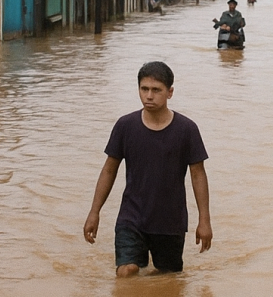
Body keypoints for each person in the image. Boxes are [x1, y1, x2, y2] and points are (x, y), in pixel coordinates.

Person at [83, 62, 212, 277]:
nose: (149, 96)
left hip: (170, 222)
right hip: (131, 217)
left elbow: (198, 175)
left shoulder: (186, 129)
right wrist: (94, 212)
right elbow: (109, 170)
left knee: (167, 278)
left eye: (156, 90)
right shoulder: (125, 126)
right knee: (126, 272)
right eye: (144, 89)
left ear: (170, 92)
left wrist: (204, 220)